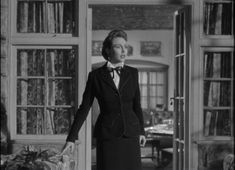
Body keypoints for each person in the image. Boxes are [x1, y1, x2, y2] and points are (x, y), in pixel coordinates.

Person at [61, 29, 146, 170]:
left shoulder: (133, 73)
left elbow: (136, 105)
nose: (124, 50)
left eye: (125, 46)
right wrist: (71, 137)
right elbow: (84, 108)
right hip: (108, 135)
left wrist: (141, 131)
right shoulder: (95, 76)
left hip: (131, 134)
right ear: (108, 50)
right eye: (118, 47)